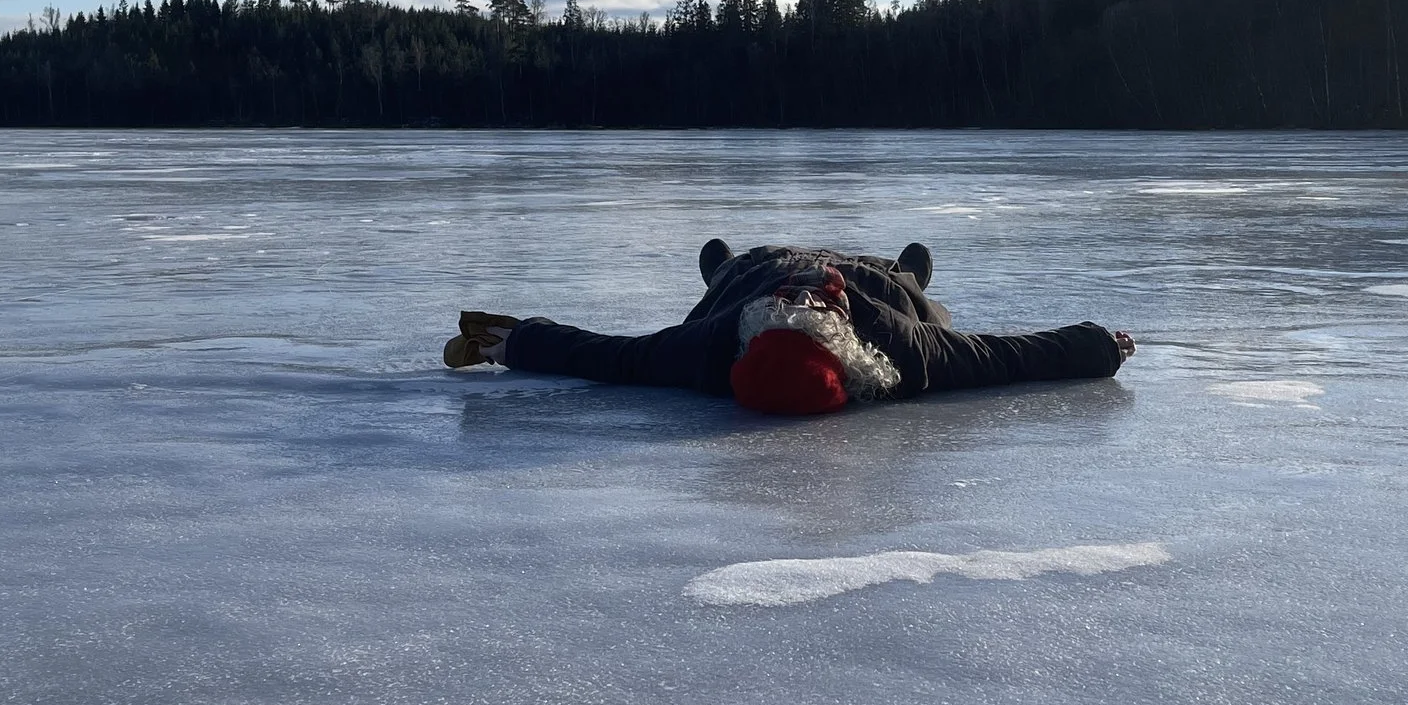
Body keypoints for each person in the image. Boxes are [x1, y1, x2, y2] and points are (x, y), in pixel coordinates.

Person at [444, 239, 1134, 417]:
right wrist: (1099, 345)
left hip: (749, 273)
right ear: (843, 342)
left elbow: (615, 356)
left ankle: (720, 267)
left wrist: (517, 339)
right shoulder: (907, 350)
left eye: (788, 314)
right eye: (804, 315)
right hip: (877, 285)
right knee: (915, 288)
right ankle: (914, 269)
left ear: (751, 335)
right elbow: (1005, 355)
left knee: (725, 268)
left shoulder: (712, 347)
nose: (799, 301)